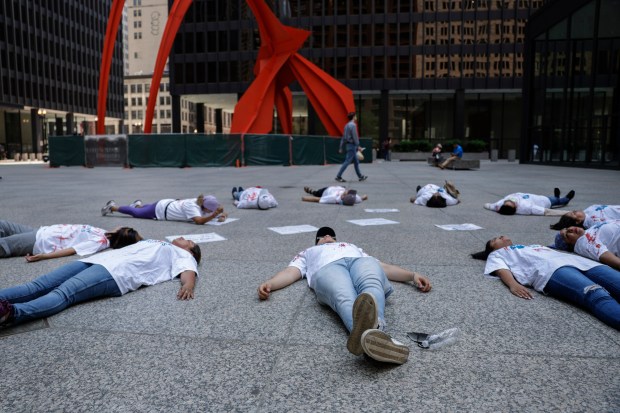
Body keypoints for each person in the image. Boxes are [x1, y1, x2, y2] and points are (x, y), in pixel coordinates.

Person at [257, 227, 432, 364]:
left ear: (335, 238)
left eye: (330, 235)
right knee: (344, 296)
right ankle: (378, 335)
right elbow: (290, 272)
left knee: (372, 284)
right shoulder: (307, 252)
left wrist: (412, 275)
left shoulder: (353, 247)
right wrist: (271, 284)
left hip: (359, 262)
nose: (326, 236)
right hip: (327, 268)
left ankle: (372, 336)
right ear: (316, 241)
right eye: (322, 235)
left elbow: (384, 267)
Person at [0, 237, 201, 327]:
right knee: (38, 285)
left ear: (190, 251)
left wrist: (188, 286)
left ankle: (11, 314)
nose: (184, 238)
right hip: (96, 260)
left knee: (63, 294)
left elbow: (188, 271)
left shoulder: (183, 255)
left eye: (189, 241)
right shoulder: (160, 242)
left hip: (116, 272)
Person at [471, 235, 620, 330]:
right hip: (552, 271)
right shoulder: (497, 254)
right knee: (596, 294)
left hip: (584, 263)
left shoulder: (530, 245)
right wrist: (513, 284)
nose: (501, 236)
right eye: (495, 239)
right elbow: (500, 269)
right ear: (492, 249)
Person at [0, 221, 141, 261]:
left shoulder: (100, 242)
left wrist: (44, 256)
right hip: (41, 231)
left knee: (4, 245)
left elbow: (73, 250)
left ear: (120, 233)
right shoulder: (103, 233)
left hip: (40, 241)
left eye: (124, 228)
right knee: (4, 225)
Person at [101, 194, 228, 224]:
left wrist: (220, 215)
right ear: (204, 207)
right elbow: (199, 221)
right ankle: (112, 207)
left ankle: (138, 204)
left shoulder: (201, 201)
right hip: (160, 210)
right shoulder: (193, 207)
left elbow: (212, 212)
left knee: (143, 208)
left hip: (165, 203)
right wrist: (214, 215)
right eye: (210, 211)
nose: (211, 213)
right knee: (136, 214)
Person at [553, 220, 620, 271]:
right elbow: (606, 257)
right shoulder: (583, 243)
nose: (570, 229)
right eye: (567, 235)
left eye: (567, 228)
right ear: (569, 245)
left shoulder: (587, 231)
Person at [483, 188, 575, 216]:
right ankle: (566, 199)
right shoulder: (526, 207)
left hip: (538, 197)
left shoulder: (498, 205)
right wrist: (567, 212)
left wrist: (485, 205)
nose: (511, 200)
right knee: (558, 201)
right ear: (515, 208)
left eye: (507, 202)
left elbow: (488, 205)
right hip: (545, 202)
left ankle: (557, 196)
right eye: (512, 203)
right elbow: (547, 212)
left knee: (555, 198)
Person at [335, 112, 367, 183]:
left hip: (349, 145)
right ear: (353, 117)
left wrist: (341, 146)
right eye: (355, 116)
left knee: (356, 162)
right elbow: (355, 136)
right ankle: (338, 176)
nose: (356, 117)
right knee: (347, 161)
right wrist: (358, 145)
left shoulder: (346, 125)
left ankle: (360, 176)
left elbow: (343, 137)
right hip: (352, 146)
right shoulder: (353, 125)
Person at [550, 205, 620, 230]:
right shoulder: (593, 223)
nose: (575, 210)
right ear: (578, 221)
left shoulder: (586, 212)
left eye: (573, 211)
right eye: (574, 213)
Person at [302, 186, 367, 205]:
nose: (349, 190)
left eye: (347, 192)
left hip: (326, 190)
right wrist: (364, 197)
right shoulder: (355, 199)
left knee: (316, 193)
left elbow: (317, 199)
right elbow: (364, 197)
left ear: (342, 197)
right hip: (339, 187)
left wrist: (304, 198)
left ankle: (311, 191)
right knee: (343, 187)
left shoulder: (333, 198)